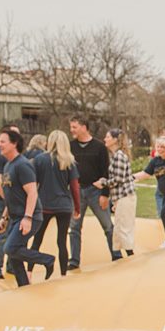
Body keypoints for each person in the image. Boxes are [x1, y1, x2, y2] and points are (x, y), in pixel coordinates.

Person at [0, 129, 55, 286]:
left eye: (3, 141)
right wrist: (4, 218)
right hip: (15, 217)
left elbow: (32, 193)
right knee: (14, 254)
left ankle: (47, 260)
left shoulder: (22, 165)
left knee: (10, 248)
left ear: (14, 143)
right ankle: (23, 286)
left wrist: (28, 217)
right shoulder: (7, 166)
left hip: (30, 216)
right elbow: (10, 196)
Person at [29, 131, 81, 277]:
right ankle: (63, 274)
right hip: (64, 205)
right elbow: (75, 187)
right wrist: (77, 207)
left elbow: (33, 184)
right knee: (61, 241)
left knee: (37, 240)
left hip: (44, 205)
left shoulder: (40, 160)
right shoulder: (69, 161)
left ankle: (29, 272)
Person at [67, 115, 117, 269]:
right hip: (77, 192)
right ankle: (74, 261)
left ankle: (116, 255)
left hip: (96, 192)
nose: (72, 130)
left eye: (74, 127)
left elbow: (107, 172)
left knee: (108, 226)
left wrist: (105, 194)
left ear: (84, 127)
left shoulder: (99, 147)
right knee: (74, 228)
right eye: (71, 127)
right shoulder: (70, 147)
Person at [0, 125, 20, 276]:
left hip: (15, 200)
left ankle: (11, 265)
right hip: (4, 201)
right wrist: (8, 201)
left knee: (14, 232)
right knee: (4, 232)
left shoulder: (14, 158)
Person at [101, 128, 137, 255]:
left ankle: (131, 258)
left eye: (108, 137)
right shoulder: (116, 155)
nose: (105, 139)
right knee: (121, 228)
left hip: (125, 196)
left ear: (115, 140)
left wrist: (103, 182)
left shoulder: (119, 156)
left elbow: (119, 178)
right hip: (121, 197)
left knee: (124, 229)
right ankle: (128, 256)